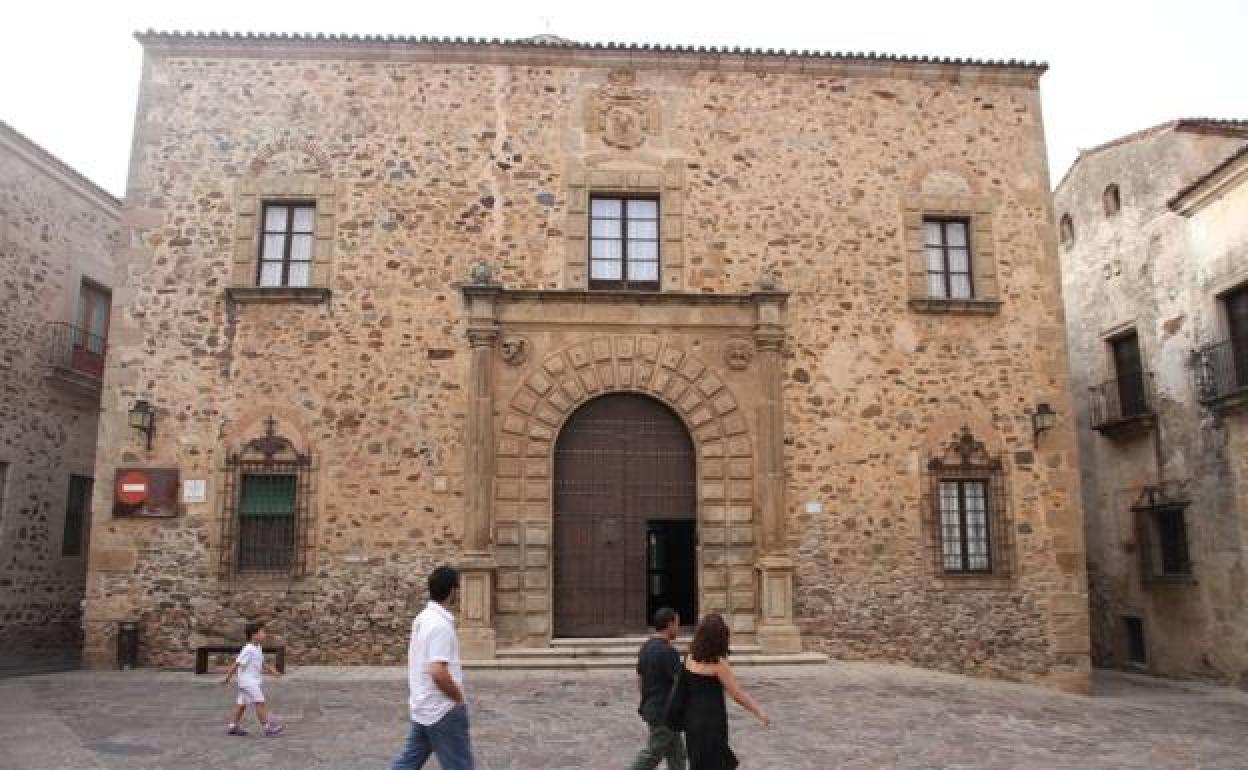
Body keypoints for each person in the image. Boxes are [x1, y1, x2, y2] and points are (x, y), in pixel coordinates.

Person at [390, 565, 475, 770]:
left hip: (424, 706)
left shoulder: (423, 618)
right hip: (442, 710)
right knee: (460, 766)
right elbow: (438, 671)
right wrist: (458, 698)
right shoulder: (440, 626)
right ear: (453, 591)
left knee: (407, 763)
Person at [680, 614, 768, 770]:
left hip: (692, 719)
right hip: (712, 721)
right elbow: (737, 694)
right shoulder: (718, 664)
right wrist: (758, 711)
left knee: (698, 762)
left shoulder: (689, 657)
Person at [629, 607, 687, 770]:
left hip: (656, 709)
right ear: (669, 624)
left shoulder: (646, 647)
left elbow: (640, 677)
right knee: (652, 754)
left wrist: (644, 701)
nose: (678, 628)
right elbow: (680, 683)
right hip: (664, 713)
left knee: (677, 755)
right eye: (677, 624)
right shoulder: (668, 652)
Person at [222, 621, 284, 737]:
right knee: (260, 702)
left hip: (249, 681)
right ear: (254, 635)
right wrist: (227, 677)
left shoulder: (258, 647)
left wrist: (272, 671)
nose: (265, 634)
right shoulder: (248, 649)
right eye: (262, 632)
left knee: (241, 705)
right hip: (248, 682)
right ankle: (267, 728)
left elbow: (262, 662)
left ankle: (232, 726)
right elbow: (237, 663)